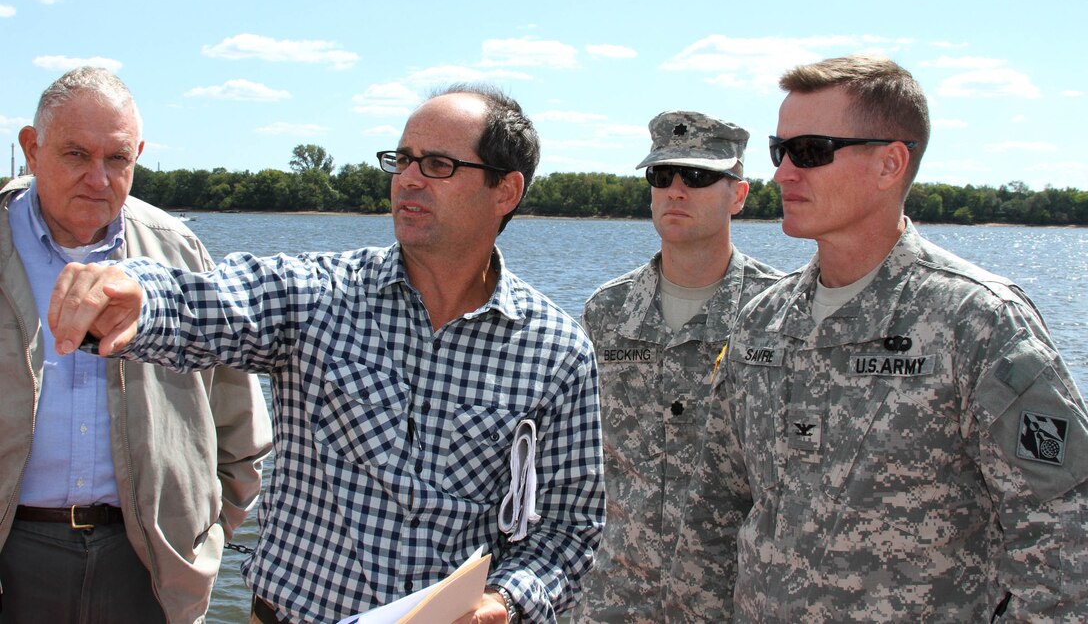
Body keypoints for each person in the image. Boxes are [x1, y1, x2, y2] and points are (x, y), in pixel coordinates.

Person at [46, 84, 606, 624]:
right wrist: (135, 294)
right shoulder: (321, 294)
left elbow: (569, 529)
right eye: (402, 160)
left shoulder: (556, 352)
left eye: (437, 165)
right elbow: (217, 298)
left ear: (505, 191)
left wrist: (504, 603)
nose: (407, 180)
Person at [669, 54, 1088, 621]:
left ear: (890, 163)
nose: (783, 173)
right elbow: (715, 511)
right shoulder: (761, 322)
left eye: (811, 151)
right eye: (780, 150)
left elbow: (1064, 538)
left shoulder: (977, 321)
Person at [0, 66, 273, 623]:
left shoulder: (177, 251)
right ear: (32, 148)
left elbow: (239, 420)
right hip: (12, 551)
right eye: (76, 154)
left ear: (138, 155)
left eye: (117, 159)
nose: (98, 179)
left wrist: (206, 532)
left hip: (148, 564)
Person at [570, 111, 782, 622]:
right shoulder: (608, 311)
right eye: (661, 177)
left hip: (732, 601)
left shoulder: (778, 313)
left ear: (739, 194)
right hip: (612, 599)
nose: (676, 191)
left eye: (699, 176)